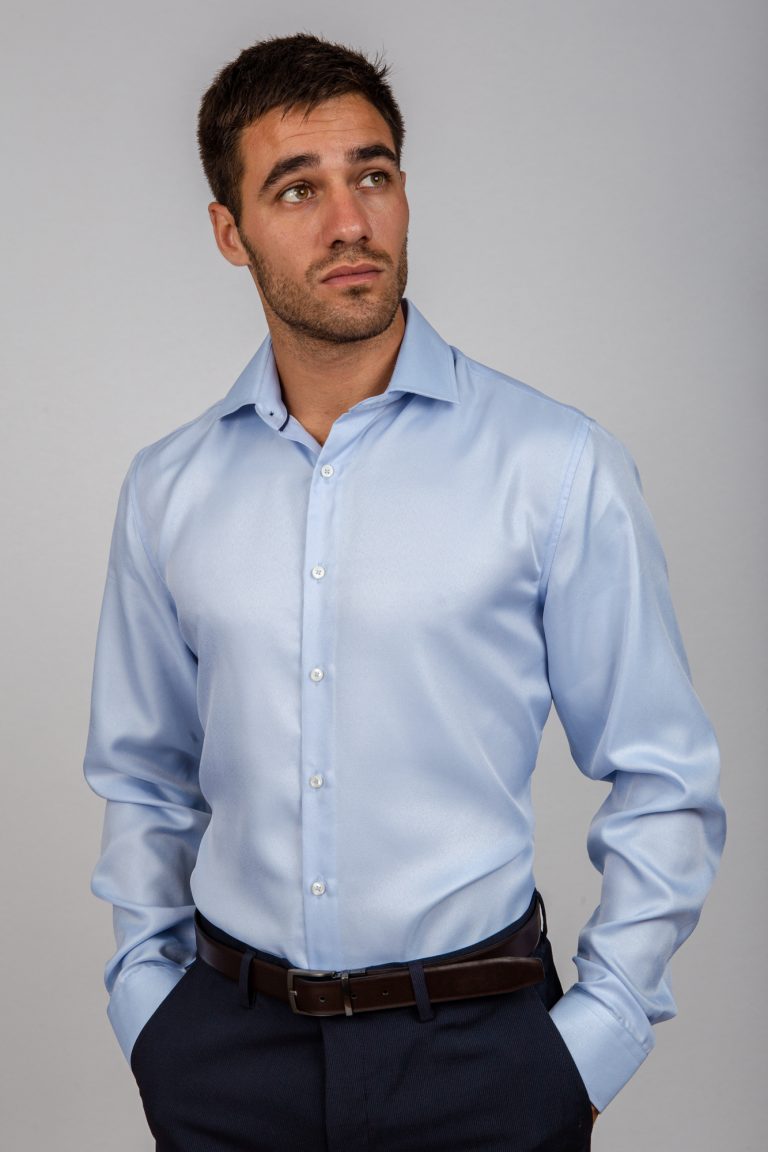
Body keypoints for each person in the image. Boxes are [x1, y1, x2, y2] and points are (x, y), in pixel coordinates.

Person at [84, 32, 726, 1152]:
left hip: (485, 1062)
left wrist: (594, 1041)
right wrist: (152, 1009)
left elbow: (664, 775)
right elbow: (143, 777)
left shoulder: (554, 467)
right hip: (227, 1060)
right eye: (298, 189)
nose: (350, 222)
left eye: (372, 175)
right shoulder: (167, 490)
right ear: (230, 233)